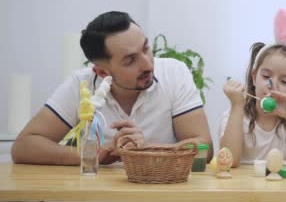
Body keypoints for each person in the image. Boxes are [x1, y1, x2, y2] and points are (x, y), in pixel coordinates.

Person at [11, 11, 214, 165]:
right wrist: (93, 154)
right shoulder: (81, 85)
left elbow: (205, 148)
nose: (148, 64)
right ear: (101, 73)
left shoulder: (174, 73)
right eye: (130, 60)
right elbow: (24, 147)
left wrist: (148, 149)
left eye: (145, 48)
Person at [219, 9, 286, 166]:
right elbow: (228, 163)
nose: (272, 85)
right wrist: (237, 106)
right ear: (253, 78)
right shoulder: (235, 115)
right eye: (266, 77)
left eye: (285, 81)